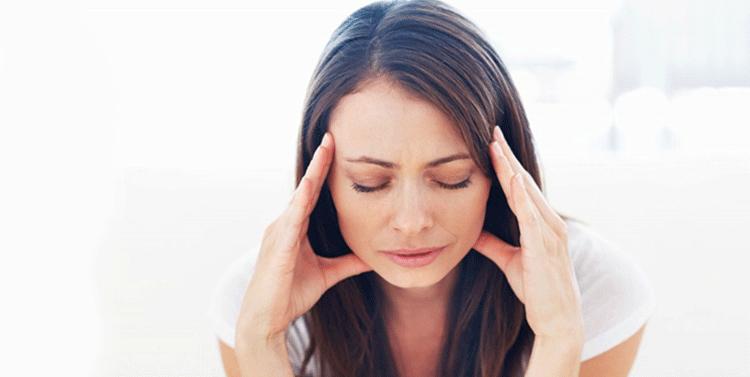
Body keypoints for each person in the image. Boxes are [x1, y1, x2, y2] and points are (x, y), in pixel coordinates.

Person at [208, 1, 657, 376]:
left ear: (500, 175)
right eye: (370, 183)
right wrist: (260, 343)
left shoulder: (598, 290)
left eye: (451, 179)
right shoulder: (260, 302)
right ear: (323, 182)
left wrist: (558, 339)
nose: (411, 221)